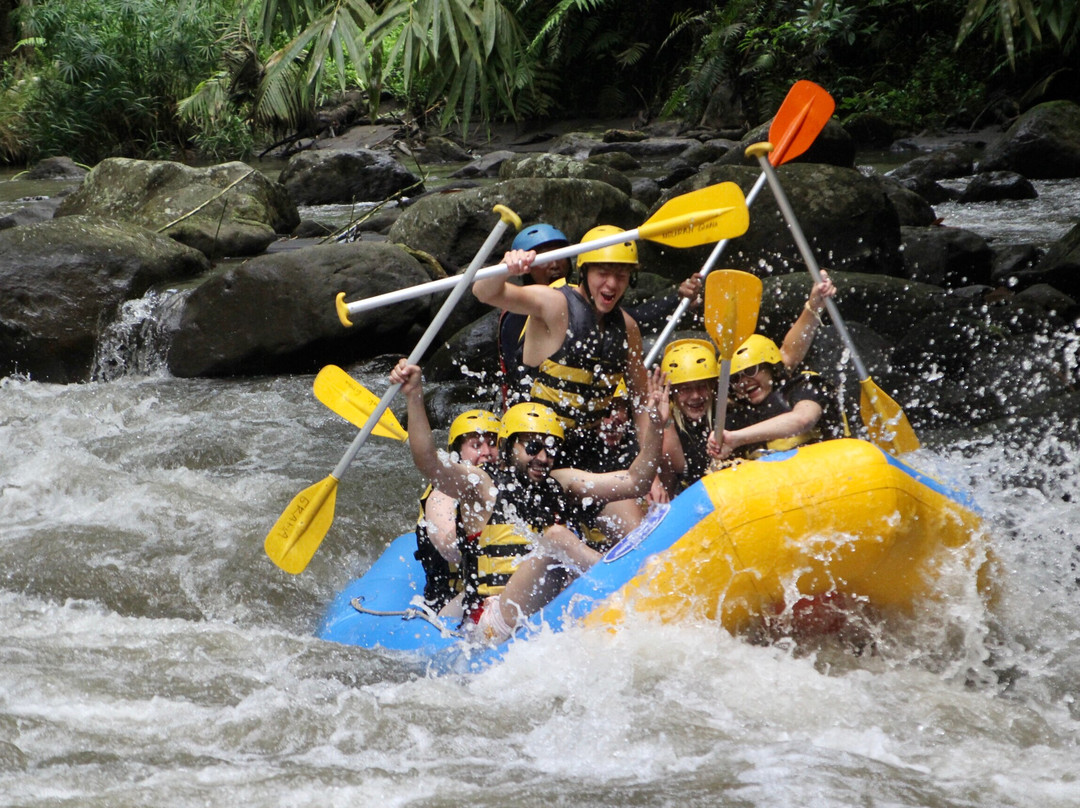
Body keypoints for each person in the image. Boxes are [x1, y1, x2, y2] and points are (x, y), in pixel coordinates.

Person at [389, 358, 669, 643]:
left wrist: (657, 427)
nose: (543, 458)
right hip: (489, 623)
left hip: (542, 610)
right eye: (533, 447)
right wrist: (414, 396)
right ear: (509, 446)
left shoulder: (561, 483)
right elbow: (428, 462)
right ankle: (629, 581)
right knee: (558, 538)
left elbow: (637, 481)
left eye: (550, 448)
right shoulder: (482, 487)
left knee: (561, 550)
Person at [475, 225, 650, 473]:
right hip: (533, 448)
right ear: (585, 271)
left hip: (588, 450)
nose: (611, 284)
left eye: (621, 275)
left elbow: (641, 401)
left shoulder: (627, 328)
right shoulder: (554, 302)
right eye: (603, 273)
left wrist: (648, 469)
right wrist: (505, 268)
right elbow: (483, 292)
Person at [707, 271, 846, 462]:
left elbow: (803, 419)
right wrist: (720, 451)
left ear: (770, 368)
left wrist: (735, 438)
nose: (744, 382)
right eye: (735, 378)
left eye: (750, 371)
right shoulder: (738, 418)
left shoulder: (803, 386)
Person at [413, 408, 500, 614]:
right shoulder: (442, 495)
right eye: (476, 445)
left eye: (492, 443)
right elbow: (450, 548)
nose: (487, 452)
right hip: (452, 599)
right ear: (458, 453)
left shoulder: (509, 488)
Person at [497, 223, 572, 408]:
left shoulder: (584, 300)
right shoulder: (516, 316)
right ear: (527, 269)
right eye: (545, 259)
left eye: (559, 256)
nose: (555, 265)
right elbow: (519, 377)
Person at [654, 338, 718, 499]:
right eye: (685, 389)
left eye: (702, 386)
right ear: (672, 393)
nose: (695, 396)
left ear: (712, 387)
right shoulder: (667, 426)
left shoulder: (727, 414)